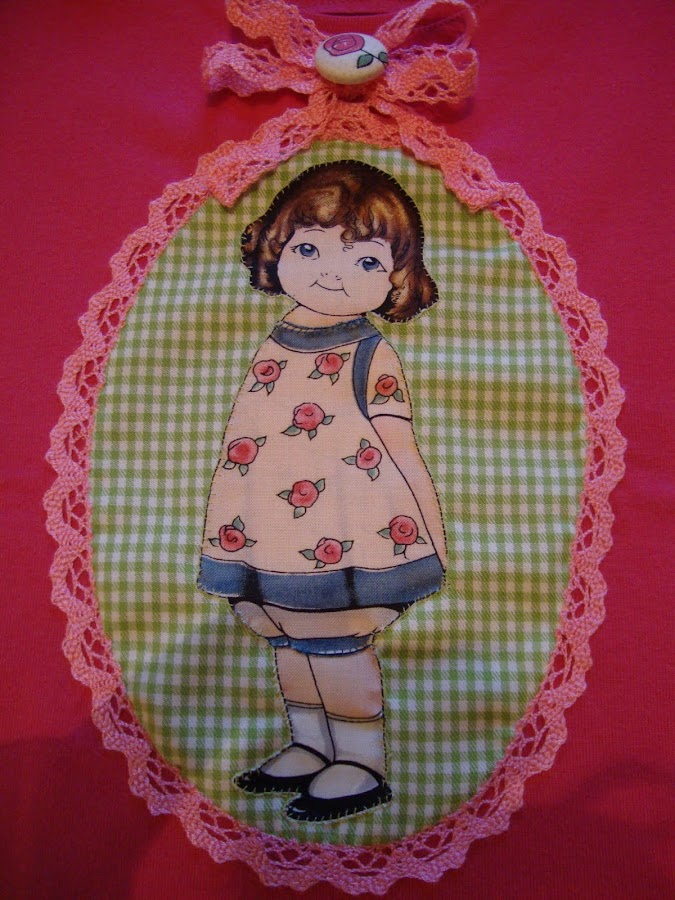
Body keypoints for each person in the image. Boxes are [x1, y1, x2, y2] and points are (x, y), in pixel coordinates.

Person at [198, 160, 447, 822]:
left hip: (347, 537)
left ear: (396, 279)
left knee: (333, 639)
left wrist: (432, 535)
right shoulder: (276, 342)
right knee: (283, 633)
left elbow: (399, 444)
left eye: (364, 261)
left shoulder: (369, 352)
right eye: (309, 249)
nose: (332, 273)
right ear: (275, 249)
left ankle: (360, 759)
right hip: (266, 533)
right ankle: (311, 744)